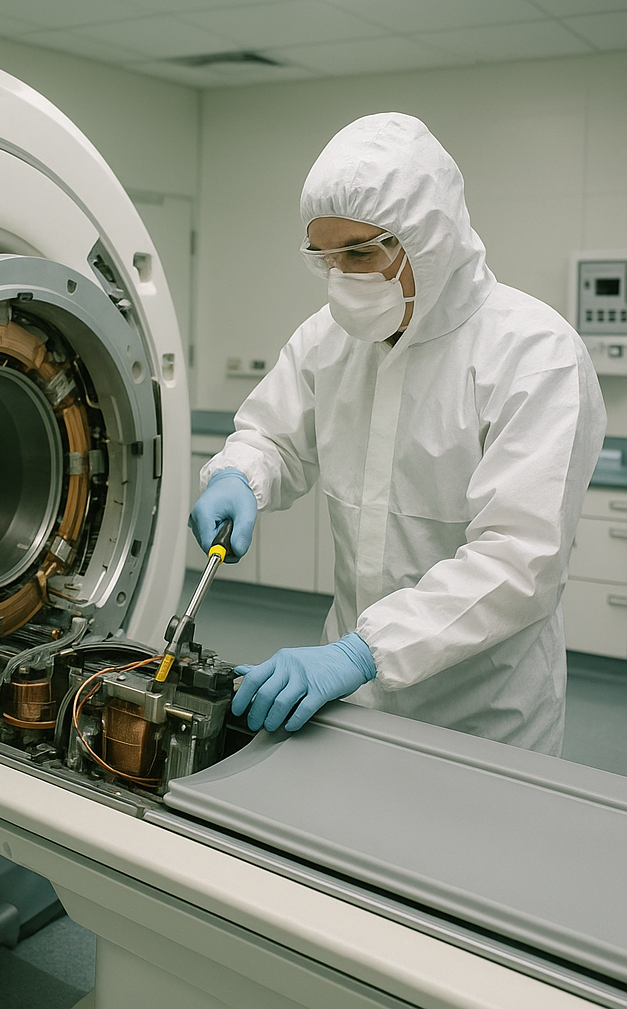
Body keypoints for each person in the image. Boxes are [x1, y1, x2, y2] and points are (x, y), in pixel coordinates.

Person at [191, 113, 605, 756]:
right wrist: (239, 474)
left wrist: (365, 649)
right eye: (326, 258)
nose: (342, 280)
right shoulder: (329, 340)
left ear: (430, 237)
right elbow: (272, 436)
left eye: (360, 253)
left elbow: (519, 561)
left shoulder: (534, 353)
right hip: (348, 700)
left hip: (483, 714)